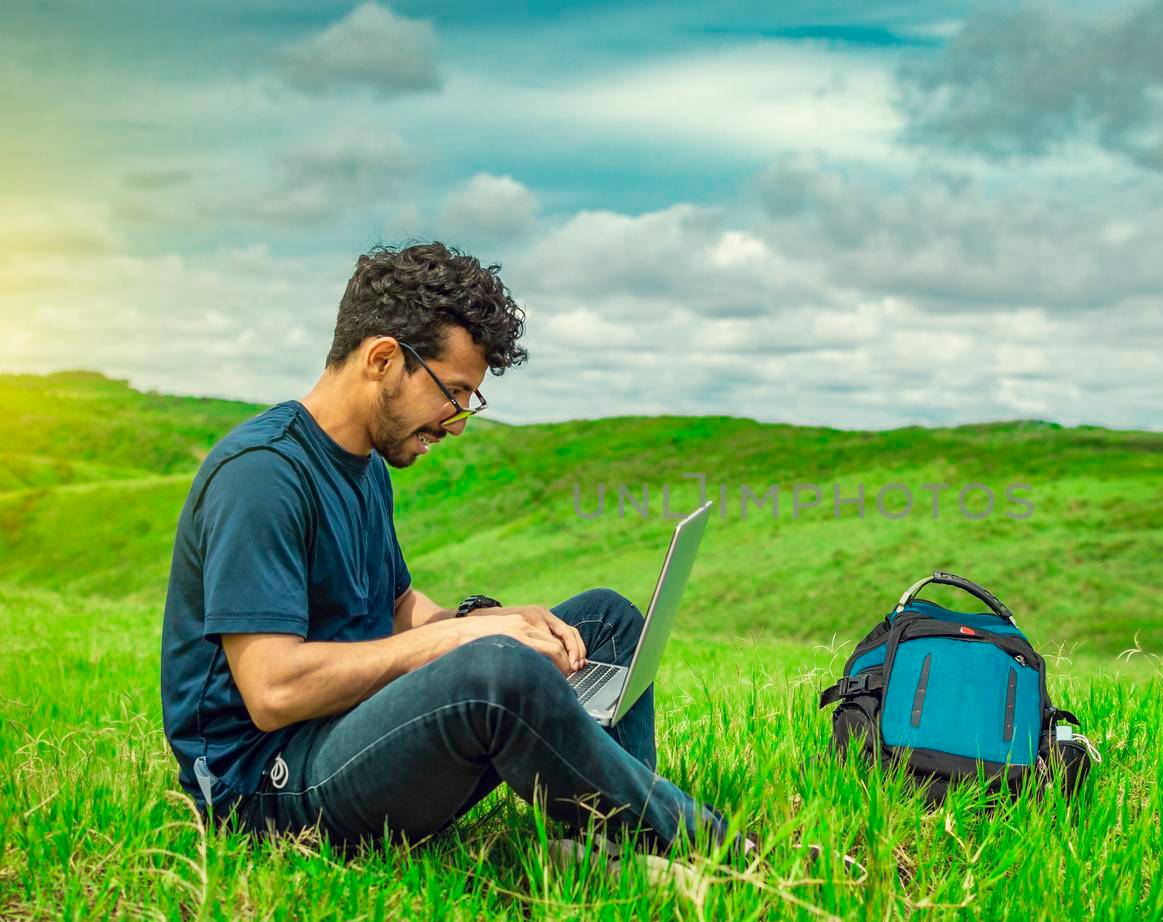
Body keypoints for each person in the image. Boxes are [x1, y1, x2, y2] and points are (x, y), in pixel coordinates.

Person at [158, 241, 732, 861]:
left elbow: (397, 603)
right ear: (383, 358)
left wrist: (477, 621)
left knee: (602, 621)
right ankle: (712, 846)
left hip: (353, 728)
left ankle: (611, 843)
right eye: (452, 392)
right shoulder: (263, 475)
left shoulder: (365, 466)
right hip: (263, 786)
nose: (458, 421)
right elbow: (272, 693)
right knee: (497, 671)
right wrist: (457, 646)